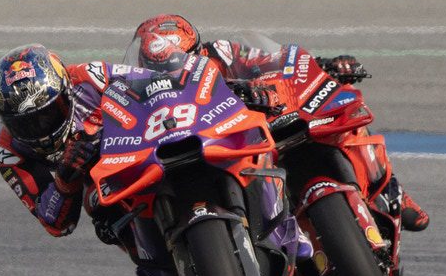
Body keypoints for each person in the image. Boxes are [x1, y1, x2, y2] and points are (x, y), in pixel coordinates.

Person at [131, 14, 430, 232]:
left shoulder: (221, 53)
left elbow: (270, 59)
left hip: (266, 124)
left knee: (339, 100)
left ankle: (393, 191)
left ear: (197, 51)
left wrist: (324, 65)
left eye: (181, 62)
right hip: (228, 152)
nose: (172, 73)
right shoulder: (141, 92)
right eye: (159, 68)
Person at [0, 43, 119, 244]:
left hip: (143, 143)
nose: (41, 130)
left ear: (66, 91)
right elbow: (57, 225)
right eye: (26, 125)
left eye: (48, 115)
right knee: (99, 207)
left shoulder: (91, 77)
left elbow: (154, 81)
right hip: (105, 181)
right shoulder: (8, 152)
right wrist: (65, 181)